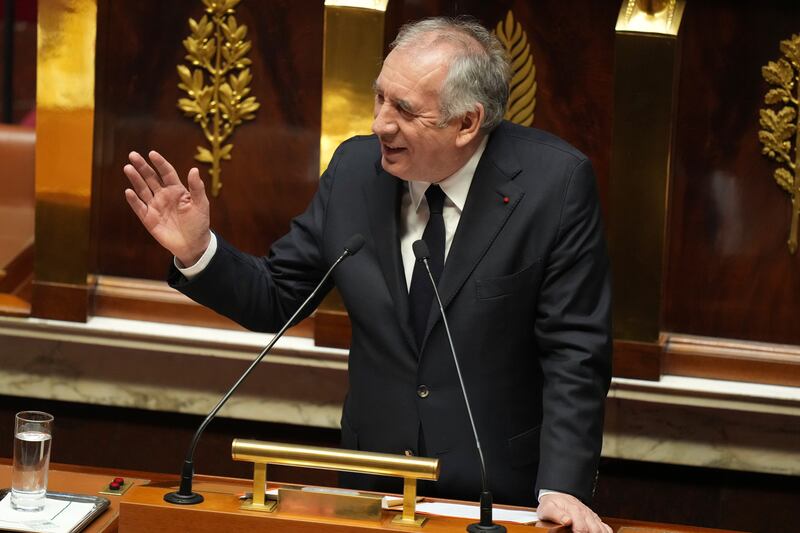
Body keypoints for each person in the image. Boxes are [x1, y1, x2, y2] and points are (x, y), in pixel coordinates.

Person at [123, 17, 612, 533]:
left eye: (403, 109)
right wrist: (198, 249)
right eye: (380, 97)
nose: (380, 123)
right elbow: (279, 295)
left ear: (467, 123)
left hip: (498, 497)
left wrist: (562, 485)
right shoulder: (356, 171)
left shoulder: (554, 185)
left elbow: (576, 352)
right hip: (372, 485)